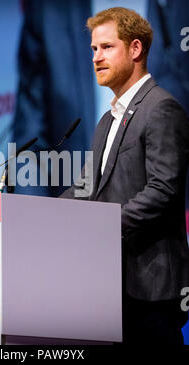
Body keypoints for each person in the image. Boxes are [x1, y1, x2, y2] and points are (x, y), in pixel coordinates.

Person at [61, 7, 189, 344]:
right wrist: (35, 216)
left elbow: (163, 189)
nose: (96, 57)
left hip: (151, 289)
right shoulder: (106, 121)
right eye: (93, 49)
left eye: (106, 47)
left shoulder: (161, 107)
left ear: (135, 49)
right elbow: (85, 188)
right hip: (107, 289)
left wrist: (103, 226)